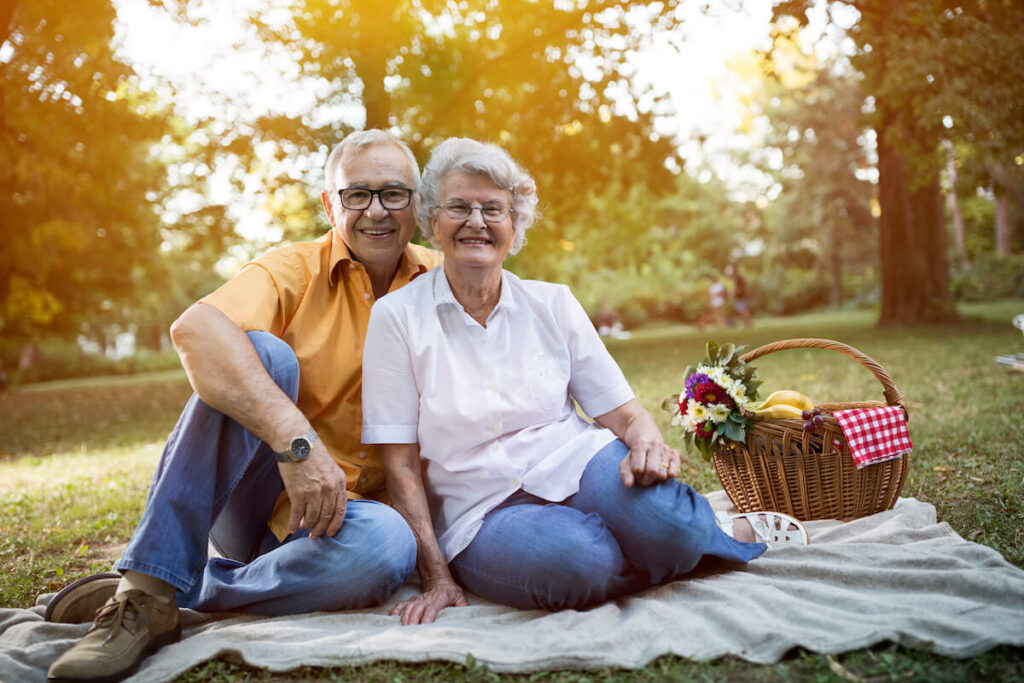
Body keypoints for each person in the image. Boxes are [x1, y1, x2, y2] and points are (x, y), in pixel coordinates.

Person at [45, 129, 443, 683]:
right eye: (356, 194)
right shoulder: (293, 269)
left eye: (393, 193)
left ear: (417, 204)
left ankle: (174, 592)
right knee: (258, 352)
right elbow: (196, 330)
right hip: (265, 495)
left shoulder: (442, 281)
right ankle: (145, 589)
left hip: (356, 524)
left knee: (387, 546)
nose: (375, 210)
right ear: (330, 206)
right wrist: (296, 443)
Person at [361, 138, 808, 626]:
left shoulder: (552, 304)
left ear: (514, 227)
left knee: (667, 527)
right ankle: (675, 545)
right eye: (459, 207)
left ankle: (692, 534)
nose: (477, 221)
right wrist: (438, 577)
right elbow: (400, 464)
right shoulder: (397, 317)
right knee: (578, 564)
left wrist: (647, 445)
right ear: (431, 221)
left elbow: (625, 415)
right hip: (481, 509)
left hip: (575, 462)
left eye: (494, 209)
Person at [725, 263, 753, 327]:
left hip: (741, 296)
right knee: (741, 310)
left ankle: (748, 323)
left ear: (735, 270)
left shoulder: (739, 277)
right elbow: (737, 288)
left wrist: (734, 293)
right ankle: (747, 323)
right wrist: (733, 293)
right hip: (739, 297)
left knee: (743, 310)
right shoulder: (736, 278)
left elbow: (741, 288)